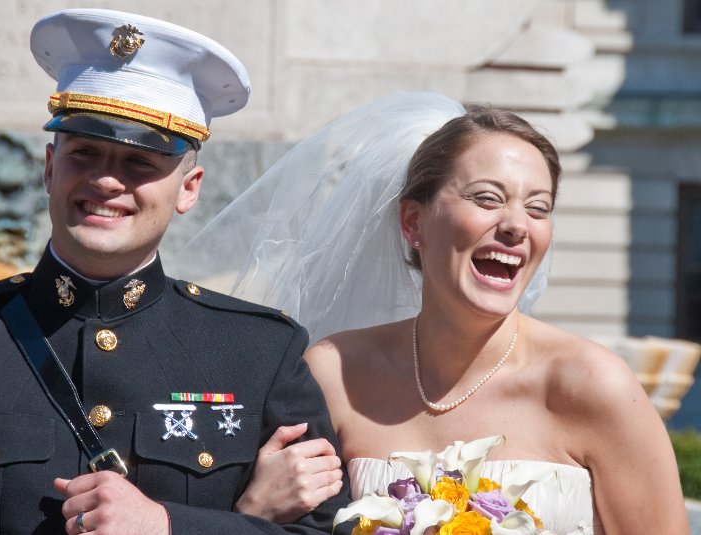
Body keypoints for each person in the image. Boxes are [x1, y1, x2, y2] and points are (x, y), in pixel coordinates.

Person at [0, 8, 348, 535]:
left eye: (139, 163)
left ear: (189, 187)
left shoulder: (259, 352)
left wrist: (167, 526)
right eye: (85, 153)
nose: (107, 180)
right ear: (49, 167)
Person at [170, 93, 690, 534]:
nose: (516, 225)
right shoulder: (334, 374)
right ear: (414, 223)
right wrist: (252, 511)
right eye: (487, 198)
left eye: (538, 208)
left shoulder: (593, 385)